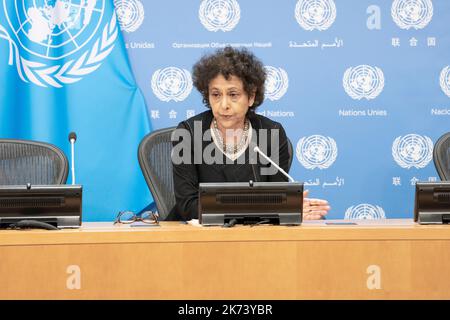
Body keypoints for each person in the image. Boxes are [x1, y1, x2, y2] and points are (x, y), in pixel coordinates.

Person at [168, 46, 330, 221]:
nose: (224, 105)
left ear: (251, 97)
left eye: (233, 94)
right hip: (195, 239)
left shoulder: (271, 134)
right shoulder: (188, 134)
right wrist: (261, 209)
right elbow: (188, 206)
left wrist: (289, 208)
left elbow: (278, 201)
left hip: (254, 238)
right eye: (215, 94)